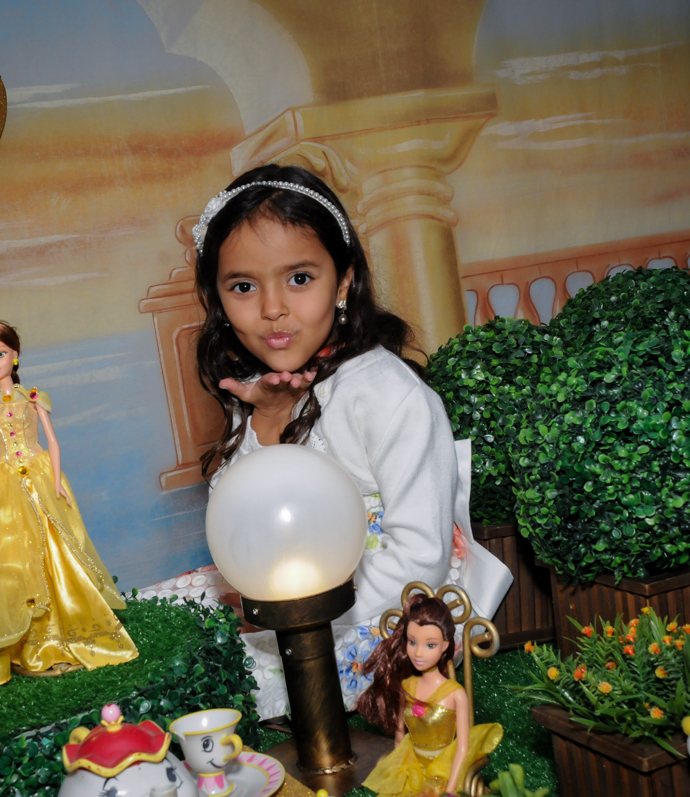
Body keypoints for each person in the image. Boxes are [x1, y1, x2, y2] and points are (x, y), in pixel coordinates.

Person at [164, 163, 513, 718]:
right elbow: (242, 530)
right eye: (244, 286)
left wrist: (305, 620)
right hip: (287, 590)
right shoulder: (261, 392)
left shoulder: (388, 393)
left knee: (224, 676)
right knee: (164, 622)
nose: (272, 308)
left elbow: (421, 555)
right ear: (217, 298)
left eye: (299, 278)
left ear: (344, 281)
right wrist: (268, 423)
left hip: (386, 600)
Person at [0, 322, 137, 690]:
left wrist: (56, 481)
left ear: (15, 355)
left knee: (57, 549)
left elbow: (52, 441)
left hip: (38, 476)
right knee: (11, 556)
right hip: (4, 485)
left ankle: (70, 630)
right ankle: (28, 643)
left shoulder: (33, 397)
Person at [357, 594, 503, 797]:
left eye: (430, 645)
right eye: (412, 642)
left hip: (443, 773)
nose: (418, 653)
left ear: (445, 646)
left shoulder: (456, 694)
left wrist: (450, 791)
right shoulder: (407, 686)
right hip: (412, 769)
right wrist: (398, 771)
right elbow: (400, 735)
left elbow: (462, 749)